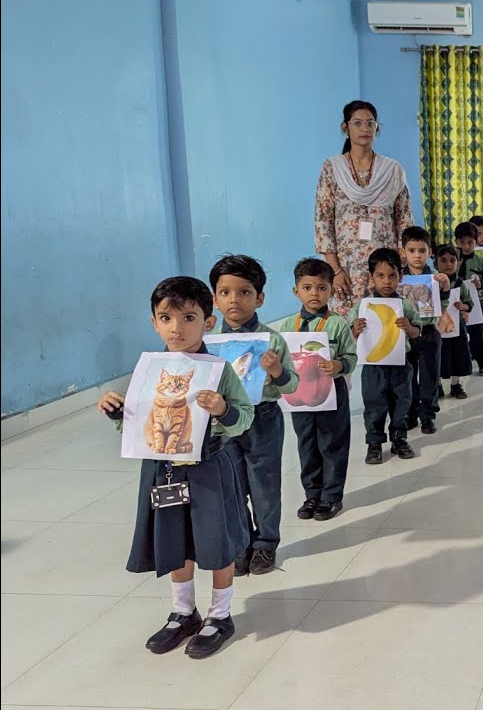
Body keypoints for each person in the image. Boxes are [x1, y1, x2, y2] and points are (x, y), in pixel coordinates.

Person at [98, 276, 254, 659]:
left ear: (208, 322)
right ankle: (183, 612)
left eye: (188, 317)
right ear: (154, 322)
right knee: (174, 539)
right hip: (163, 471)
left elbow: (245, 416)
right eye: (166, 318)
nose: (177, 328)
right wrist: (118, 412)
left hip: (209, 469)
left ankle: (221, 616)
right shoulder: (150, 370)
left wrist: (222, 409)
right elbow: (139, 422)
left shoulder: (219, 369)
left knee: (216, 542)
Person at [210, 255, 298, 576]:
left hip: (263, 419)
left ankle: (265, 544)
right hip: (224, 421)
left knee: (264, 483)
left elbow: (292, 385)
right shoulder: (209, 344)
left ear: (259, 298)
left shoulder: (271, 341)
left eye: (244, 292)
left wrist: (275, 371)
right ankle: (241, 544)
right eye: (225, 292)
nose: (235, 299)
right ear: (214, 299)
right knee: (231, 484)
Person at [314, 100, 415, 316]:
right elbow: (323, 222)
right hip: (346, 267)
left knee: (384, 323)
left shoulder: (391, 169)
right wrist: (336, 270)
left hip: (384, 267)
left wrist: (400, 264)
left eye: (370, 123)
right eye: (358, 123)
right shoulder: (332, 167)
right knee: (348, 326)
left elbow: (404, 219)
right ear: (345, 128)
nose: (365, 129)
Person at [278, 258, 356, 522]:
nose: (315, 293)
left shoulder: (337, 324)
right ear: (296, 291)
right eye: (308, 287)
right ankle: (312, 494)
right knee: (307, 444)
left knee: (332, 443)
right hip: (299, 396)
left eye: (322, 288)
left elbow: (351, 358)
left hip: (331, 393)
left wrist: (339, 364)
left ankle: (331, 496)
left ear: (331, 291)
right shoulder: (287, 326)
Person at [350, 248, 423, 464]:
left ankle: (399, 438)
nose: (386, 282)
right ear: (371, 277)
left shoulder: (405, 305)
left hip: (401, 363)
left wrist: (409, 328)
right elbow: (351, 334)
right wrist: (356, 328)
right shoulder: (362, 307)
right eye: (380, 276)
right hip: (374, 367)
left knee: (402, 401)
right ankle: (374, 443)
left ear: (400, 277)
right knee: (374, 403)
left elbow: (418, 332)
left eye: (392, 276)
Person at [400, 226, 450, 434]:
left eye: (422, 250)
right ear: (403, 252)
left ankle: (428, 415)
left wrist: (445, 287)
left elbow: (443, 307)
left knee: (430, 375)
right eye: (412, 250)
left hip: (429, 331)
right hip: (406, 334)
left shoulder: (436, 278)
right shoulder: (398, 279)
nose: (417, 255)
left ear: (429, 252)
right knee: (408, 376)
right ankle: (410, 413)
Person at [455, 222, 483, 376]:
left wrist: (481, 284)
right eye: (462, 242)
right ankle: (462, 363)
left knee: (479, 333)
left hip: (478, 303)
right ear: (456, 242)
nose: (466, 246)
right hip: (457, 305)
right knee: (460, 333)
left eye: (470, 242)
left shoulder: (481, 261)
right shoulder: (453, 261)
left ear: (476, 241)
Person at [434, 244, 473, 398]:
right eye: (443, 260)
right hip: (437, 328)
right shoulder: (432, 283)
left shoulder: (460, 284)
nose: (448, 264)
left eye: (452, 260)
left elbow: (470, 303)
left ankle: (456, 384)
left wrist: (463, 306)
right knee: (437, 357)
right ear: (436, 263)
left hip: (457, 328)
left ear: (458, 263)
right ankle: (436, 385)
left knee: (458, 357)